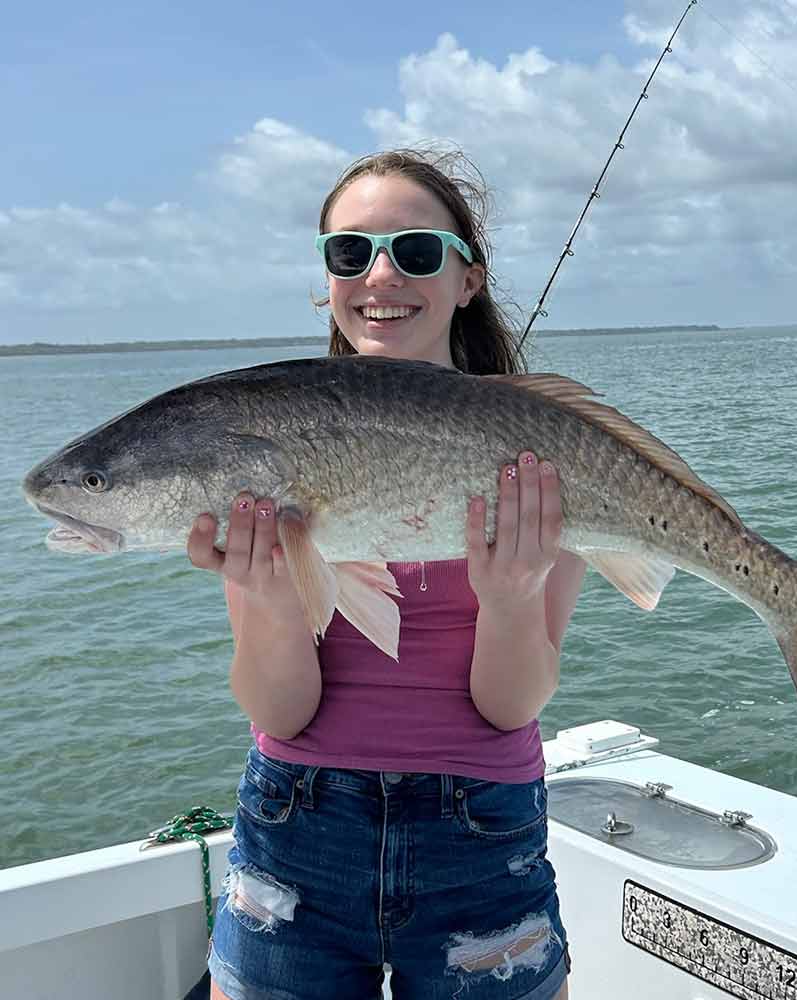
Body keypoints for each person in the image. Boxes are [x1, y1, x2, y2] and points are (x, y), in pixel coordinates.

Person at [187, 147, 587, 1000]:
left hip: (479, 837)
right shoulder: (265, 443)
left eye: (414, 251)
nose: (380, 275)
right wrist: (267, 591)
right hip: (297, 830)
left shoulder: (540, 448)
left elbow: (509, 708)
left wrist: (511, 596)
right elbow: (281, 709)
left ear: (467, 277)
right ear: (326, 276)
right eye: (349, 252)